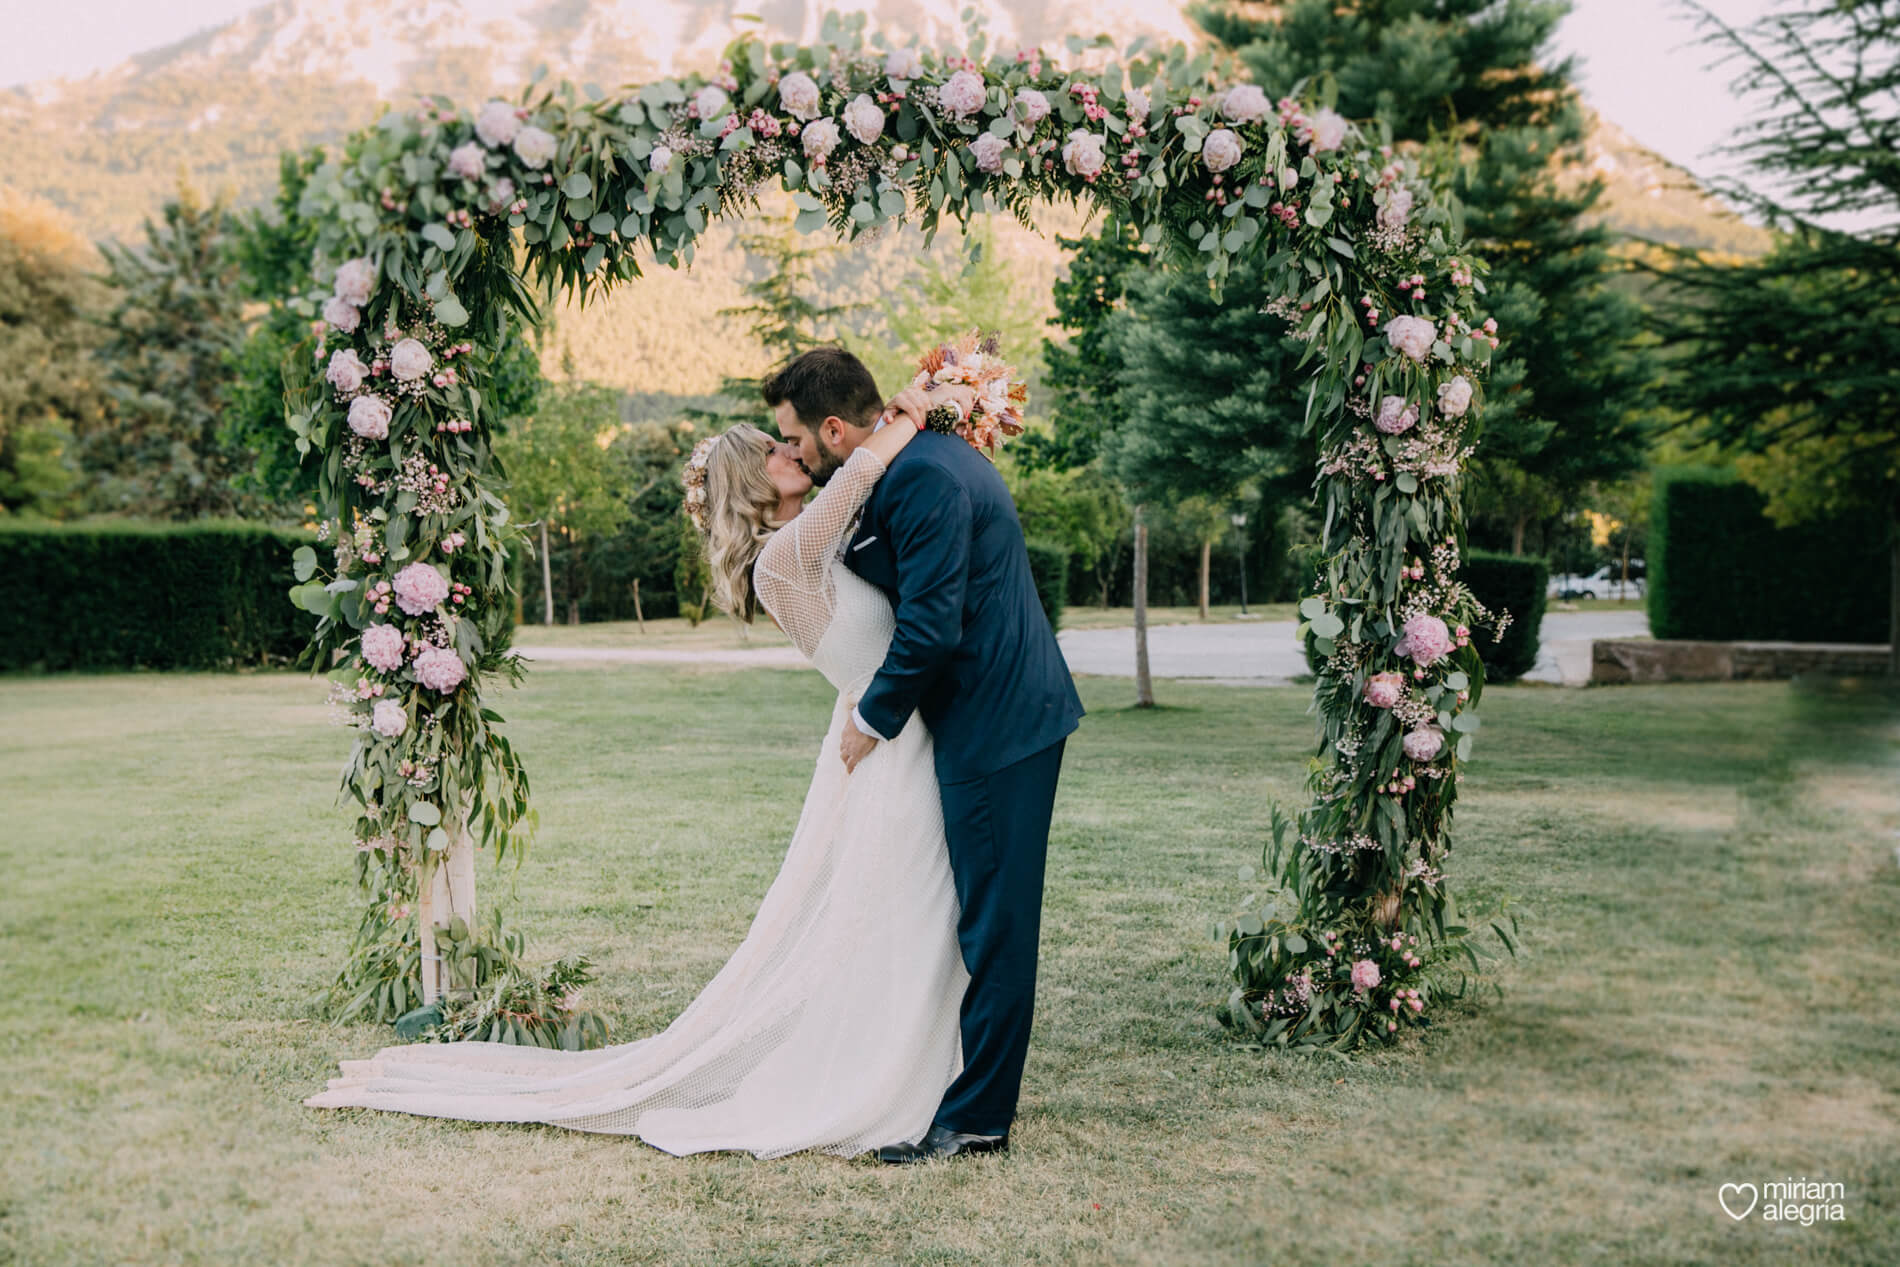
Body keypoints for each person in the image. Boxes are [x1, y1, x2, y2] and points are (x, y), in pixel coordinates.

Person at [304, 378, 975, 1161]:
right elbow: (860, 471)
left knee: (909, 913)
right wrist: (913, 413)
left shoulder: (811, 540)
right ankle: (893, 1074)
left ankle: (919, 1061)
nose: (792, 450)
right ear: (750, 483)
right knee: (903, 913)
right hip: (887, 746)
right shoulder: (783, 557)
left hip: (894, 736)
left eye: (787, 442)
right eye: (774, 450)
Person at [765, 347, 1084, 1163]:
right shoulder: (920, 460)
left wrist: (871, 718)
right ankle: (960, 1084)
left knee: (997, 923)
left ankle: (977, 1117)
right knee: (984, 913)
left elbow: (933, 627)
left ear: (834, 429)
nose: (794, 454)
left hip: (997, 722)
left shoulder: (927, 479)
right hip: (994, 715)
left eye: (795, 439)